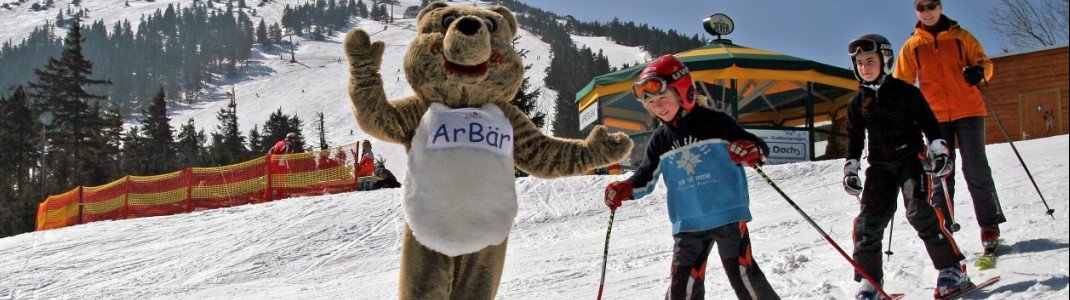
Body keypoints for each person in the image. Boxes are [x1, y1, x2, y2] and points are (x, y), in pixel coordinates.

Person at [602, 55, 779, 300]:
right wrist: (626, 188)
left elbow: (757, 147)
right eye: (651, 102)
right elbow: (645, 177)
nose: (658, 106)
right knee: (681, 288)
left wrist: (751, 150)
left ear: (684, 92)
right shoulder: (660, 139)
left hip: (727, 215)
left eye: (663, 98)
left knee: (744, 276)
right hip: (688, 224)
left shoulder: (716, 121)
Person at [844, 34, 970, 299]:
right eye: (859, 63)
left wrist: (938, 150)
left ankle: (952, 268)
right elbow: (855, 138)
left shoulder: (906, 92)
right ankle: (870, 282)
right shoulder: (858, 102)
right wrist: (851, 169)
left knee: (919, 212)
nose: (864, 67)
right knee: (867, 223)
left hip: (911, 161)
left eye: (870, 60)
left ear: (885, 60)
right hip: (879, 168)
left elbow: (929, 124)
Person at [893, 0, 1005, 252]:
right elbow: (902, 84)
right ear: (916, 11)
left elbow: (985, 63)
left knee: (976, 169)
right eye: (921, 8)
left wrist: (979, 73)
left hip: (969, 111)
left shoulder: (961, 37)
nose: (927, 12)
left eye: (931, 6)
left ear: (940, 7)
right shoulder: (912, 46)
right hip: (934, 118)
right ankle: (942, 228)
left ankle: (989, 226)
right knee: (941, 173)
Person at [265, 133, 297, 199]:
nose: (294, 140)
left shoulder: (279, 142)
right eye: (294, 139)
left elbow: (271, 150)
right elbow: (285, 157)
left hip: (271, 162)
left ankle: (268, 196)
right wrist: (288, 168)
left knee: (271, 181)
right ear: (291, 138)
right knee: (281, 180)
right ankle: (280, 195)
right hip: (280, 164)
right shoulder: (289, 145)